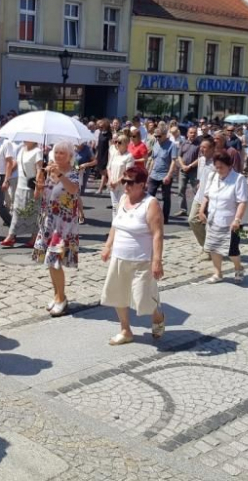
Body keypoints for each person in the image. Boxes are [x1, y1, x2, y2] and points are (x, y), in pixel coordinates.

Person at [100, 167, 165, 345]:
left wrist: (157, 261)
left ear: (142, 184)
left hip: (142, 260)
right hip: (119, 257)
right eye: (124, 181)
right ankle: (125, 330)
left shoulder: (150, 203)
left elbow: (158, 233)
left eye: (130, 182)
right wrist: (107, 246)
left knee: (143, 299)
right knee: (117, 294)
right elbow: (116, 225)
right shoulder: (122, 199)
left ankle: (158, 317)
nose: (126, 185)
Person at [33, 141, 80, 317]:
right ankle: (58, 294)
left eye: (63, 153)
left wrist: (59, 175)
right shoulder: (48, 172)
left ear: (69, 156)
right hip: (49, 222)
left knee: (54, 261)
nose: (59, 155)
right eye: (57, 152)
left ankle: (61, 299)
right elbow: (39, 196)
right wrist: (38, 184)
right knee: (50, 263)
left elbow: (73, 190)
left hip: (64, 224)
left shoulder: (73, 173)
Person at [199, 151, 248, 284]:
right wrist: (201, 210)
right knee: (214, 247)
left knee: (232, 250)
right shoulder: (212, 176)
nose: (218, 169)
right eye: (217, 166)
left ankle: (238, 268)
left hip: (232, 221)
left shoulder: (238, 179)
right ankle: (218, 273)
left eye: (222, 167)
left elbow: (242, 201)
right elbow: (206, 195)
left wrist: (237, 219)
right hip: (213, 218)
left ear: (230, 165)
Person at [1, 141, 43, 248]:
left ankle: (34, 238)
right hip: (20, 186)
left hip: (31, 187)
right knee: (17, 212)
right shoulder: (22, 150)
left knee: (33, 213)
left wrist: (38, 187)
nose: (25, 139)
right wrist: (7, 178)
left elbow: (39, 170)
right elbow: (16, 164)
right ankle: (11, 236)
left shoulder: (38, 151)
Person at [146, 124, 178, 223]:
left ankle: (165, 218)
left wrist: (169, 175)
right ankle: (148, 216)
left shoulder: (172, 145)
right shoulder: (156, 144)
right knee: (149, 196)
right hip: (154, 174)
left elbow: (173, 161)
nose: (157, 138)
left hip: (165, 175)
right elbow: (153, 160)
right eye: (156, 136)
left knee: (166, 197)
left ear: (165, 135)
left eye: (159, 136)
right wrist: (149, 173)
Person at [176, 126, 200, 216]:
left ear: (197, 134)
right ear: (187, 134)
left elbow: (200, 158)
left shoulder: (199, 144)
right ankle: (183, 209)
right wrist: (183, 166)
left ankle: (197, 210)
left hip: (194, 170)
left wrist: (189, 166)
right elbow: (179, 156)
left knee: (196, 190)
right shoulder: (183, 143)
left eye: (194, 133)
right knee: (181, 189)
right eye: (191, 132)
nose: (192, 134)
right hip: (183, 170)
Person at [108, 134, 134, 215]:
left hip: (123, 185)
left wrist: (117, 182)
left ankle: (121, 225)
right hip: (112, 184)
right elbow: (108, 168)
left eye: (119, 142)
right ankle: (114, 226)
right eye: (116, 142)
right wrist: (111, 180)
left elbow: (128, 172)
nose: (117, 144)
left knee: (121, 206)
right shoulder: (114, 154)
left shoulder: (129, 156)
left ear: (126, 144)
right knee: (114, 207)